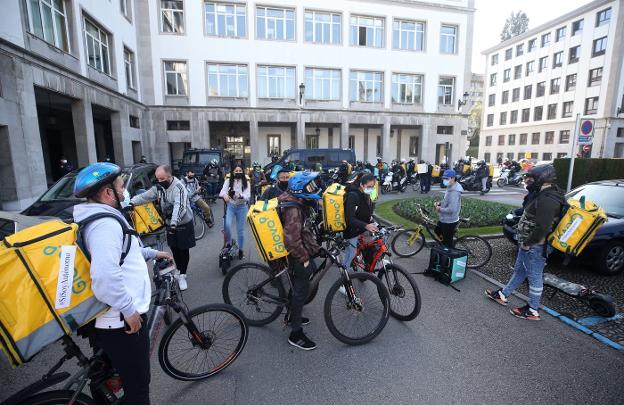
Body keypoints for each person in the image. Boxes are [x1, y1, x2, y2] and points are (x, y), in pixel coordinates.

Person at [73, 162, 172, 405]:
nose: (125, 191)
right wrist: (129, 311)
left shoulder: (107, 218)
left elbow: (128, 250)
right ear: (108, 193)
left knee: (106, 377)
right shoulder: (104, 225)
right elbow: (105, 277)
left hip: (112, 320)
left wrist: (154, 254)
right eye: (120, 186)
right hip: (120, 323)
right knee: (138, 389)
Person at [486, 165, 566, 320]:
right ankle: (503, 294)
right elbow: (530, 212)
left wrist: (529, 243)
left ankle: (533, 310)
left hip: (536, 246)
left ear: (542, 179)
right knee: (519, 270)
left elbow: (543, 227)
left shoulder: (549, 200)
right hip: (528, 243)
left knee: (534, 276)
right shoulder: (543, 194)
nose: (528, 181)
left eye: (531, 179)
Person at [131, 165, 195, 290]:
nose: (159, 181)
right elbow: (145, 196)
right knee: (175, 249)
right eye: (157, 179)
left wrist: (174, 223)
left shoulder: (179, 187)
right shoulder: (159, 187)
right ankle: (178, 271)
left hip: (182, 223)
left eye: (162, 179)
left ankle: (183, 274)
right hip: (169, 222)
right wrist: (131, 202)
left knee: (183, 250)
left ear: (169, 176)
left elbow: (179, 207)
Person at [278, 172, 322, 350]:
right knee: (300, 292)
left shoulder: (296, 201)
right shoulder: (293, 209)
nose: (312, 189)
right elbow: (292, 240)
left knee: (298, 288)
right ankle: (295, 334)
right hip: (296, 254)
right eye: (309, 187)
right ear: (299, 188)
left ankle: (291, 316)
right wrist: (304, 258)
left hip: (299, 251)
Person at [342, 173, 379, 269]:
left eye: (373, 186)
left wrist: (372, 221)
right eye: (369, 186)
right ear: (362, 185)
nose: (371, 189)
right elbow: (349, 219)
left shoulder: (367, 194)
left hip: (361, 228)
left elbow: (366, 212)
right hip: (351, 231)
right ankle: (344, 276)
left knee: (367, 248)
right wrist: (366, 225)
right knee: (350, 254)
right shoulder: (353, 196)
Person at [219, 165, 250, 260]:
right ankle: (228, 244)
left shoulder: (246, 182)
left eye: (240, 170)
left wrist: (240, 196)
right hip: (231, 206)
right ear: (233, 172)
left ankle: (240, 250)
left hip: (242, 207)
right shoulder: (228, 181)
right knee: (227, 225)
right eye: (236, 170)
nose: (238, 172)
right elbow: (222, 192)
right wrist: (225, 195)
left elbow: (247, 196)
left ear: (242, 172)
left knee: (240, 231)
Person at [434, 169, 463, 247]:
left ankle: (448, 254)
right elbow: (447, 200)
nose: (444, 180)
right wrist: (440, 203)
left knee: (447, 243)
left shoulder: (454, 192)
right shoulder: (450, 186)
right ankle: (443, 245)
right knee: (437, 230)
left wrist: (439, 209)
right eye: (444, 178)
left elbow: (451, 209)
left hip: (449, 221)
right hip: (445, 218)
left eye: (447, 178)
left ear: (453, 178)